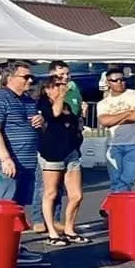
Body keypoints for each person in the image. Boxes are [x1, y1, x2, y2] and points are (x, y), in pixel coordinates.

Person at [0, 62, 42, 225]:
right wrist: (5, 159)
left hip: (26, 163)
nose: (30, 81)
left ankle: (14, 248)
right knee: (3, 209)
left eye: (31, 77)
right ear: (10, 78)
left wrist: (41, 121)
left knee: (17, 210)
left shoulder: (28, 101)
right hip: (4, 166)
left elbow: (35, 127)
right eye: (26, 77)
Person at [34, 73, 88, 245]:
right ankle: (51, 232)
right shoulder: (44, 104)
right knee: (51, 192)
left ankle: (69, 228)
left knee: (76, 195)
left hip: (70, 151)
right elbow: (55, 114)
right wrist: (60, 95)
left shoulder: (65, 105)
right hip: (52, 152)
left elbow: (72, 122)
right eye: (56, 85)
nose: (61, 88)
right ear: (47, 89)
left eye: (61, 85)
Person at [95, 68, 135, 194]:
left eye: (122, 79)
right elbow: (104, 121)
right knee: (116, 180)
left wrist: (115, 120)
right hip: (113, 144)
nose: (120, 82)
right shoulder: (103, 103)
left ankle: (112, 204)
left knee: (127, 179)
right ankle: (116, 208)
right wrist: (128, 113)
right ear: (108, 83)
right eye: (115, 80)